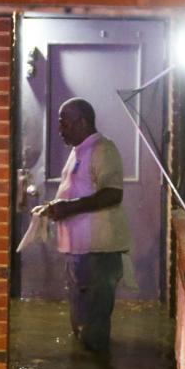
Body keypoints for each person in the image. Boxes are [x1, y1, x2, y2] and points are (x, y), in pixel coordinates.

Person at [41, 98, 131, 353]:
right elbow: (77, 192)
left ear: (82, 122)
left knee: (93, 322)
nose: (60, 130)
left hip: (97, 252)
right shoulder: (77, 151)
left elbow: (112, 194)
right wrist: (56, 207)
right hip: (78, 251)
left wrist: (68, 208)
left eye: (65, 124)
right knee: (80, 320)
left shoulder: (103, 149)